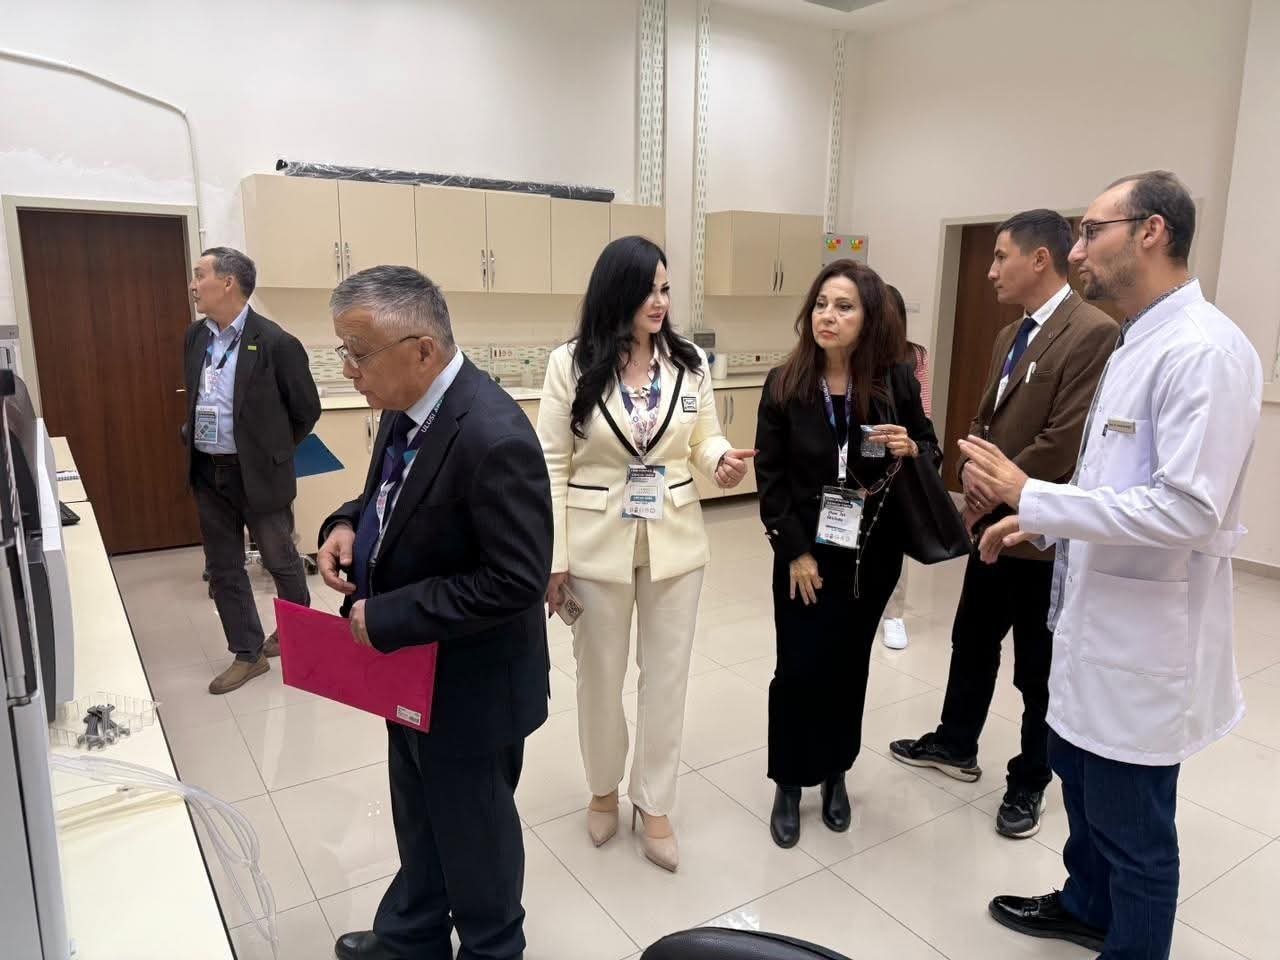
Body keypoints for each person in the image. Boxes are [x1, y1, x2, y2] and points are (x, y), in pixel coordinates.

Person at [963, 172, 1262, 959]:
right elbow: (1109, 486)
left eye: (1093, 231)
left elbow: (1188, 511)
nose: (1076, 250)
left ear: (1152, 231)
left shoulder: (1203, 351)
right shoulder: (1135, 340)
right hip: (1091, 622)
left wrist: (1031, 493)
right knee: (1083, 786)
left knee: (1135, 832)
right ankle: (1085, 906)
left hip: (1142, 644)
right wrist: (1037, 519)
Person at [316, 266, 552, 960]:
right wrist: (345, 523)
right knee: (419, 817)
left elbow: (515, 579)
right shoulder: (405, 406)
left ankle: (491, 948)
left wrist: (390, 616)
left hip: (471, 687)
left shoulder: (494, 436)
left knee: (476, 839)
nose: (349, 370)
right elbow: (391, 498)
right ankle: (413, 937)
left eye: (359, 353)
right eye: (345, 351)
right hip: (411, 672)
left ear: (422, 349)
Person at [888, 210, 1116, 839]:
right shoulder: (1009, 334)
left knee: (1037, 669)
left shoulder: (1093, 333)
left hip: (1040, 532)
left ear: (1039, 259)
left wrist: (995, 488)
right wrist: (972, 480)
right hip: (989, 526)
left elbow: (1065, 439)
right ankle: (956, 742)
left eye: (1000, 256)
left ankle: (1031, 779)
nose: (991, 271)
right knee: (972, 640)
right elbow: (985, 421)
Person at [537, 235, 753, 873]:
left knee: (667, 678)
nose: (660, 302)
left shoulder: (688, 363)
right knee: (599, 678)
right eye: (648, 290)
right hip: (593, 544)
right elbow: (551, 462)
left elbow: (703, 439)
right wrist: (554, 558)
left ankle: (654, 802)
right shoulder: (570, 364)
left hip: (675, 540)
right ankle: (603, 789)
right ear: (617, 292)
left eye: (666, 290)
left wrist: (721, 460)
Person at [755, 259, 937, 850]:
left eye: (844, 306)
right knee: (798, 668)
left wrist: (912, 447)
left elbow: (928, 448)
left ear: (869, 319)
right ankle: (789, 780)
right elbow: (771, 479)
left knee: (848, 667)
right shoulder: (784, 383)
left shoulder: (894, 383)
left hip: (869, 554)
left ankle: (836, 772)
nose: (827, 317)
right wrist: (795, 552)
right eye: (821, 304)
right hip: (805, 555)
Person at [182, 247, 320, 695]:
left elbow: (306, 410)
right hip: (209, 471)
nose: (193, 284)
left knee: (280, 559)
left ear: (228, 283)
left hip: (259, 473)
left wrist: (271, 452)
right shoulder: (195, 337)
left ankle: (298, 634)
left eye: (200, 274)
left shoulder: (276, 342)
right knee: (224, 567)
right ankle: (248, 653)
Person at [879, 284, 935, 650]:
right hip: (855, 466)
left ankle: (894, 615)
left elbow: (923, 414)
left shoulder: (912, 358)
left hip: (897, 460)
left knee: (893, 539)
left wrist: (914, 447)